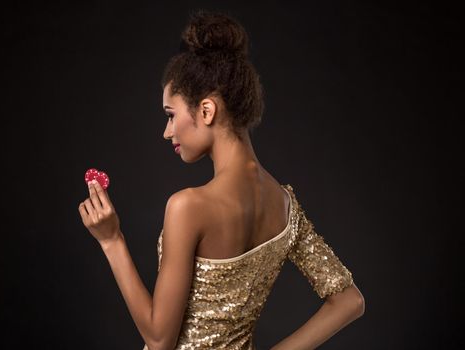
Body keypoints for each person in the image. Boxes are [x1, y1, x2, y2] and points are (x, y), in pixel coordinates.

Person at [78, 9, 365, 350]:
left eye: (171, 115)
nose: (167, 131)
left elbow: (158, 339)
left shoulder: (188, 206)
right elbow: (350, 300)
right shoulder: (286, 207)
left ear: (207, 111)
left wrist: (112, 241)